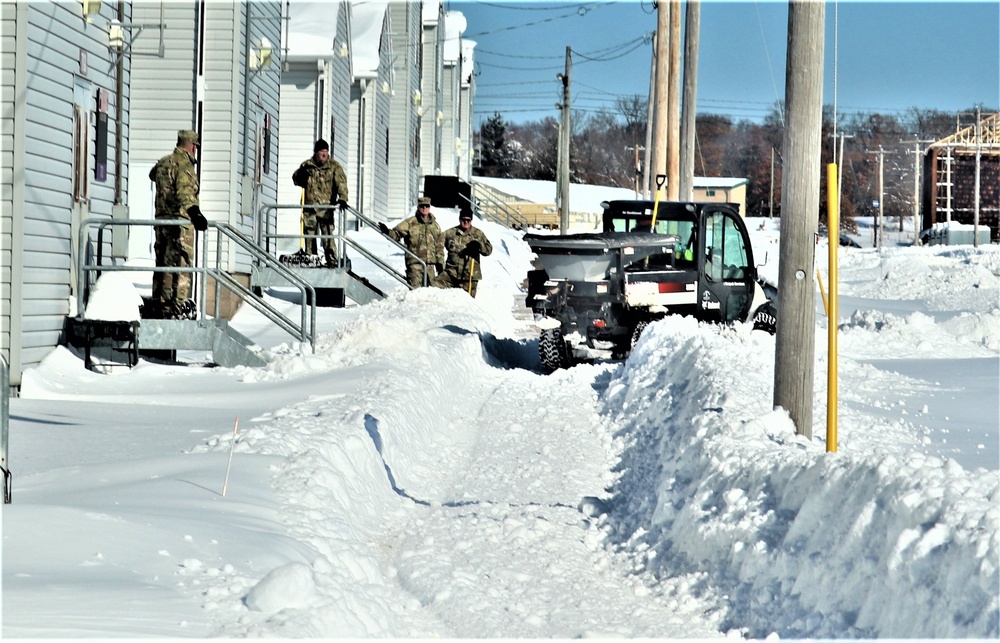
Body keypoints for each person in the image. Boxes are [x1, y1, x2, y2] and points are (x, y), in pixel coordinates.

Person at [148, 129, 207, 320]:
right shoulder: (185, 166)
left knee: (163, 263)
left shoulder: (164, 162)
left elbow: (152, 175)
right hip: (179, 223)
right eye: (195, 147)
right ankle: (177, 305)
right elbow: (184, 191)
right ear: (191, 146)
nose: (195, 150)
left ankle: (160, 303)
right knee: (181, 263)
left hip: (161, 220)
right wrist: (195, 213)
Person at [291, 139, 350, 268]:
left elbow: (341, 184)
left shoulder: (334, 167)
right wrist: (301, 175)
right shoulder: (308, 166)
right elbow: (296, 179)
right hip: (310, 210)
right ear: (316, 152)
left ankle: (332, 261)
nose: (324, 154)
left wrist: (343, 198)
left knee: (328, 238)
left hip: (326, 210)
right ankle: (311, 261)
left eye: (326, 151)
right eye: (322, 151)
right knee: (310, 238)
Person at [378, 196, 444, 288]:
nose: (424, 208)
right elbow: (397, 234)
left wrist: (440, 264)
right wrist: (388, 232)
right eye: (422, 206)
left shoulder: (435, 226)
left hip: (430, 267)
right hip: (415, 265)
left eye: (426, 206)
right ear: (418, 207)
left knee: (430, 294)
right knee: (415, 292)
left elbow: (439, 246)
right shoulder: (411, 222)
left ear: (429, 207)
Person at [435, 207, 493, 297]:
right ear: (459, 219)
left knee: (466, 303)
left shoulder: (478, 234)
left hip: (469, 276)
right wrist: (440, 262)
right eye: (463, 219)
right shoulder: (450, 233)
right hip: (451, 274)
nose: (466, 222)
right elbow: (437, 244)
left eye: (468, 220)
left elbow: (488, 251)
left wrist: (480, 245)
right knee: (434, 289)